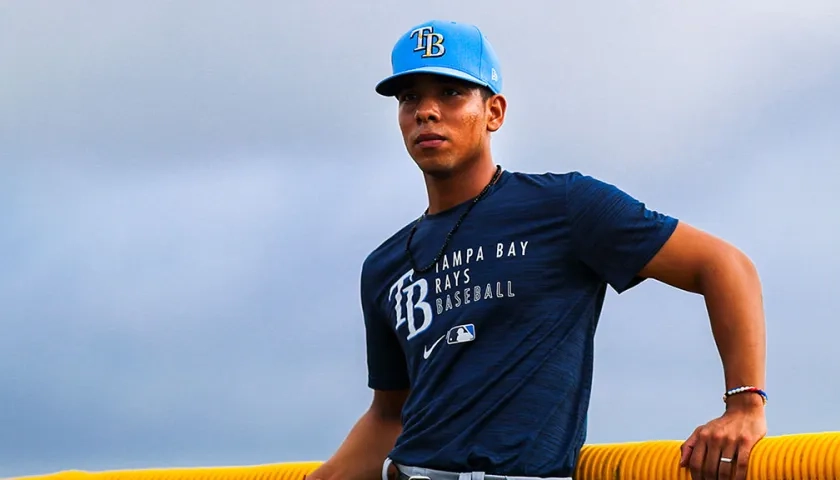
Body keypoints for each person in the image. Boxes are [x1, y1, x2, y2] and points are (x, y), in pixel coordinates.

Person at [305, 19, 768, 480]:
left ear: (494, 112)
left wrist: (744, 405)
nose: (427, 111)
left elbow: (724, 264)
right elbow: (390, 416)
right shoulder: (385, 266)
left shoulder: (566, 207)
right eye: (410, 98)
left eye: (450, 93)